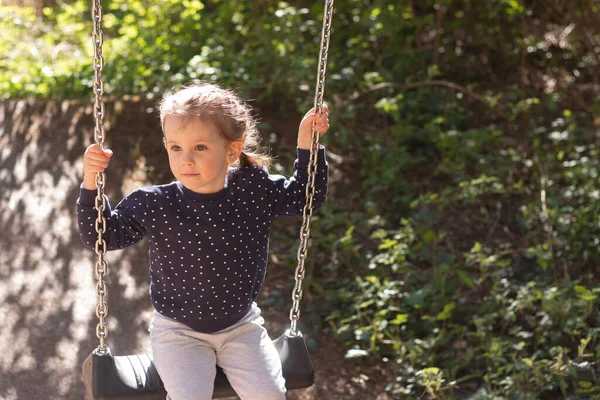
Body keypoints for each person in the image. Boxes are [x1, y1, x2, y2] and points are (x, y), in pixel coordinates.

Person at [76, 82, 330, 400]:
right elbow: (101, 235)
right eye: (175, 147)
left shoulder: (253, 192)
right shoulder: (155, 204)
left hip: (240, 325)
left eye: (200, 148)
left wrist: (308, 145)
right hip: (177, 330)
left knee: (269, 394)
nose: (186, 159)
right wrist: (90, 181)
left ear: (232, 150)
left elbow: (307, 198)